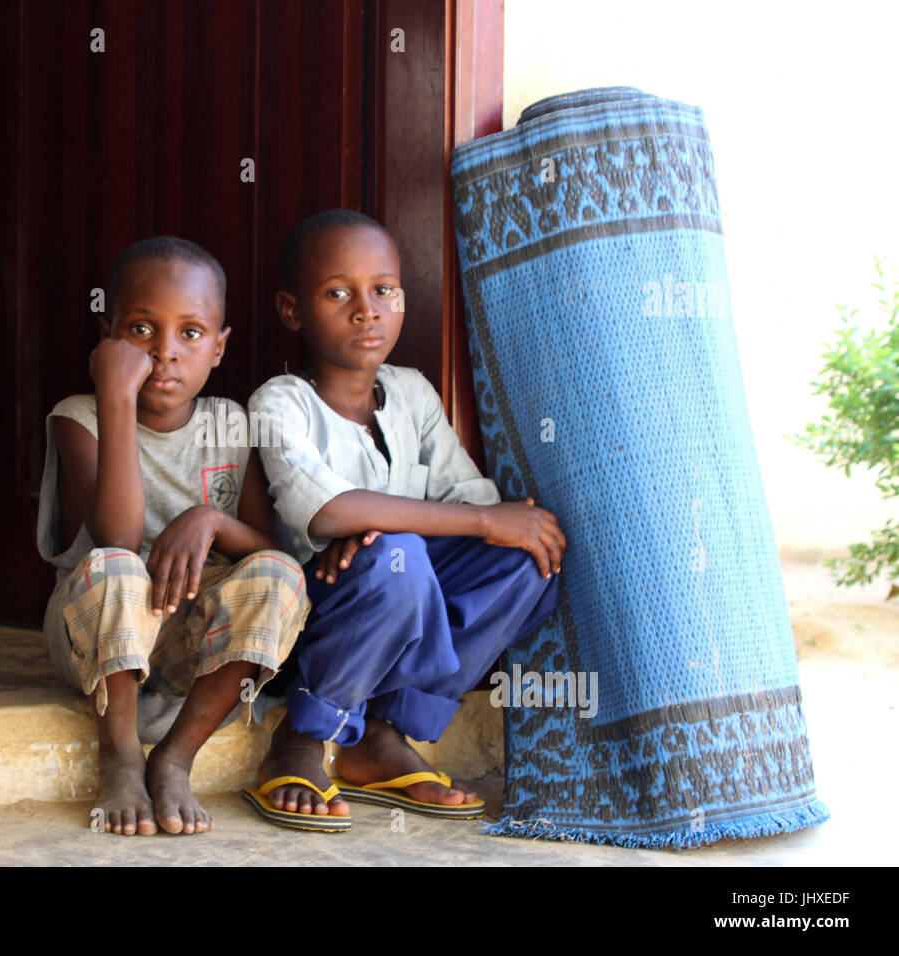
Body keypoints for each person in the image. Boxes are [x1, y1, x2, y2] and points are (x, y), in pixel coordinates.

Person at [244, 209, 566, 828]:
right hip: (313, 619)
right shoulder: (279, 403)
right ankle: (305, 737)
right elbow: (329, 509)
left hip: (401, 593)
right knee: (400, 555)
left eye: (383, 289)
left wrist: (399, 529)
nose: (366, 309)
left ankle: (381, 734)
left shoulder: (412, 392)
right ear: (292, 311)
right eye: (338, 292)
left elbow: (470, 499)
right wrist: (392, 532)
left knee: (527, 554)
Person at [36, 237, 310, 836]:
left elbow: (268, 545)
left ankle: (175, 757)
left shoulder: (232, 425)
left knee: (280, 575)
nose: (164, 352)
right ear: (108, 335)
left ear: (219, 347)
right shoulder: (79, 417)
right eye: (140, 330)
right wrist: (115, 396)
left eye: (190, 333)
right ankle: (122, 757)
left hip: (192, 643)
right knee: (117, 566)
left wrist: (209, 518)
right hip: (97, 639)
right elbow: (117, 534)